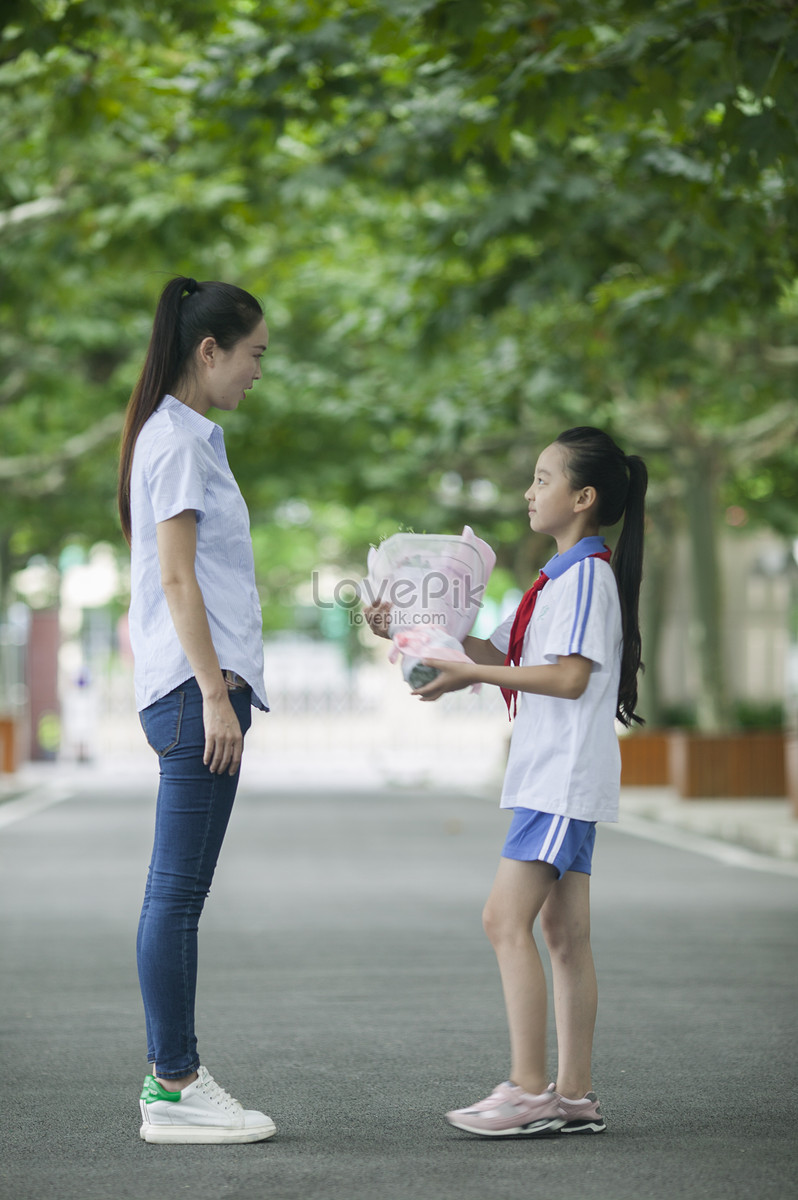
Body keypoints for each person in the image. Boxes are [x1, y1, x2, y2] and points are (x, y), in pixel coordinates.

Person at [366, 426, 647, 1138]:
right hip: (553, 777)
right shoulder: (560, 579)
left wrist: (470, 672)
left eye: (544, 479)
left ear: (583, 498)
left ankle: (527, 1091)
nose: (529, 491)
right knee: (564, 934)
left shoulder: (584, 578)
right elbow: (507, 654)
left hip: (558, 779)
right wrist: (409, 629)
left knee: (503, 920)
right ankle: (573, 1098)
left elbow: (567, 676)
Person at [117, 275, 275, 1144]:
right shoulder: (176, 441)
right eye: (253, 355)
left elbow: (202, 575)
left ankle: (171, 1080)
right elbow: (178, 579)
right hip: (192, 693)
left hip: (195, 690)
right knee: (176, 896)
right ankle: (173, 1083)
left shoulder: (180, 438)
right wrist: (217, 695)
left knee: (177, 894)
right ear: (208, 351)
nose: (258, 372)